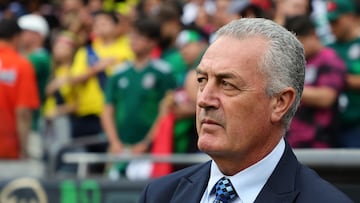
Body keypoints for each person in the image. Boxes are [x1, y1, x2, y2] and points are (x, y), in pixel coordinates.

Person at [139, 18, 353, 203]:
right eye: (202, 80)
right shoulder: (159, 195)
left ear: (280, 103)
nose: (203, 99)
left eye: (227, 84)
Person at [101, 17, 176, 176]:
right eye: (132, 35)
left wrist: (146, 142)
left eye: (139, 36)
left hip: (151, 151)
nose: (133, 40)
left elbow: (166, 111)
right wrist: (114, 142)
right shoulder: (117, 72)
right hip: (119, 149)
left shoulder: (163, 72)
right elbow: (107, 110)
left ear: (152, 42)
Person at [284, 15, 346, 148]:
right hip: (292, 140)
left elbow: (326, 97)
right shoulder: (297, 62)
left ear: (313, 35)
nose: (296, 49)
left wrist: (286, 89)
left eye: (300, 42)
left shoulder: (330, 59)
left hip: (318, 141)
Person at [0, 17, 39, 159]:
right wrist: (24, 149)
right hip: (7, 148)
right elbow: (23, 112)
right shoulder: (22, 65)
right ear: (16, 38)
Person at [326, 0, 360, 148]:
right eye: (329, 21)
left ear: (351, 17)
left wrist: (336, 79)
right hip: (331, 125)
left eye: (336, 21)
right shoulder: (328, 49)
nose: (332, 26)